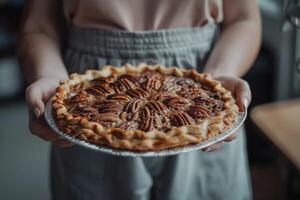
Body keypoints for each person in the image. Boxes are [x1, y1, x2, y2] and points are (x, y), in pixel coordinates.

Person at [17, 0, 261, 199]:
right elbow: (39, 25)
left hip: (202, 86)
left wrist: (218, 78)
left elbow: (243, 17)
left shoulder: (210, 89)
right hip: (88, 95)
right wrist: (51, 77)